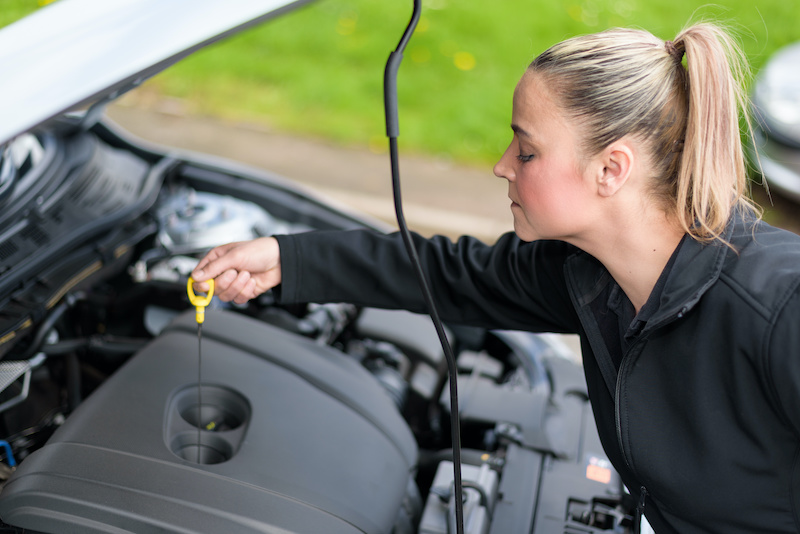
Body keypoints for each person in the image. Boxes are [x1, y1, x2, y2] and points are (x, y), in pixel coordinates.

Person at [191, 23, 800, 534]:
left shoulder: (779, 309)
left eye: (527, 151)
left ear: (611, 169)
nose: (501, 166)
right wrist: (287, 259)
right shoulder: (588, 274)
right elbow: (449, 273)